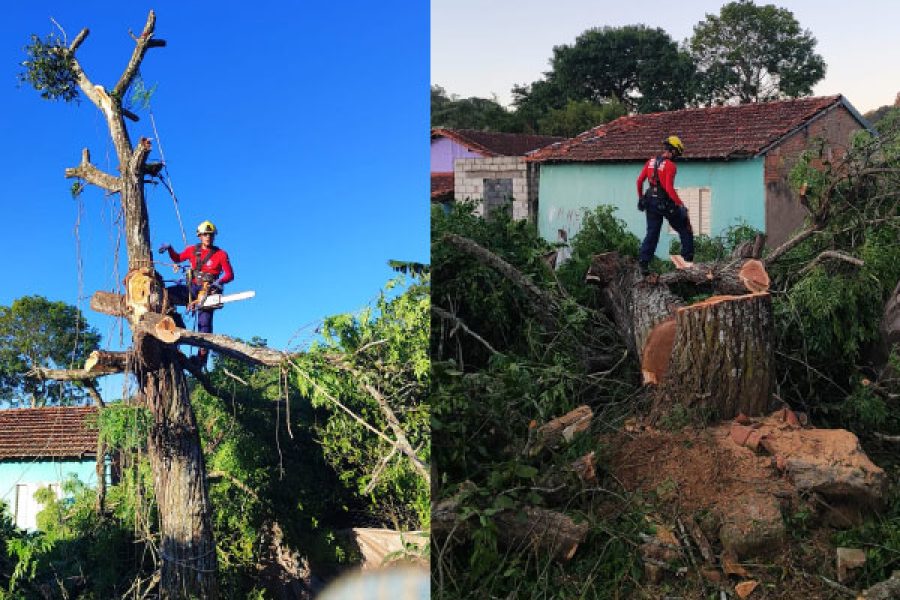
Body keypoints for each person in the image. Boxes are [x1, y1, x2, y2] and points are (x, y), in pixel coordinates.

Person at [158, 220, 234, 366]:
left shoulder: (221, 254)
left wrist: (219, 282)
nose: (208, 237)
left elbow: (230, 274)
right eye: (205, 234)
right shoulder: (193, 250)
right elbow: (178, 258)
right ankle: (172, 327)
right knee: (165, 295)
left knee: (204, 326)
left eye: (210, 235)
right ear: (200, 236)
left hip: (209, 290)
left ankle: (200, 359)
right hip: (191, 288)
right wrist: (170, 249)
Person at [636, 135, 694, 276]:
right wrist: (681, 205)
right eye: (677, 153)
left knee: (652, 233)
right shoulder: (670, 166)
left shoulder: (650, 162)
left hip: (650, 201)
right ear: (673, 151)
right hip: (665, 203)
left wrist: (641, 198)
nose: (677, 157)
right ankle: (687, 260)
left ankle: (643, 263)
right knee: (685, 226)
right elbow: (668, 188)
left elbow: (639, 181)